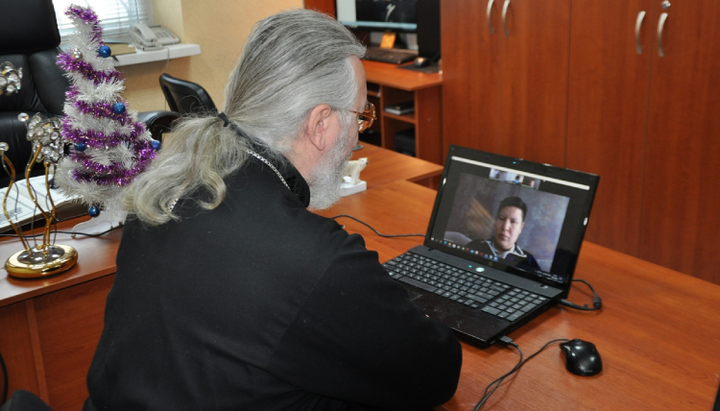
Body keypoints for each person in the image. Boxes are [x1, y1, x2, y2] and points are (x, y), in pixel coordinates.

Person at [83, 9, 461, 411]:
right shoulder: (317, 259)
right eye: (360, 117)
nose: (356, 140)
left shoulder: (161, 191)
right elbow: (437, 373)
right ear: (320, 123)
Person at [466, 196, 541, 271]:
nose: (505, 227)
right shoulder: (476, 246)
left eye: (513, 222)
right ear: (496, 221)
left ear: (521, 227)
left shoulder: (528, 261)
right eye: (501, 219)